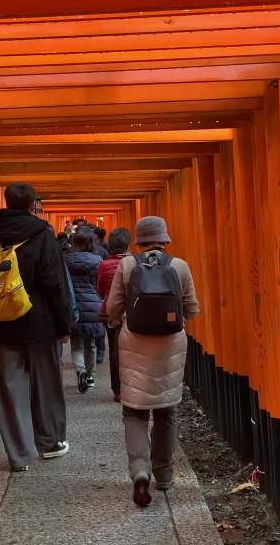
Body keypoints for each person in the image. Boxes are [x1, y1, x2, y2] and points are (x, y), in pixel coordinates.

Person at [0, 182, 72, 472]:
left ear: (7, 201)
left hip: (2, 317)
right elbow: (54, 283)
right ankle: (50, 442)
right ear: (33, 205)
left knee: (9, 385)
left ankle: (18, 454)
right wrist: (64, 324)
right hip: (39, 320)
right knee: (46, 383)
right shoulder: (42, 234)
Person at [106, 216, 199, 507]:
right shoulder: (180, 266)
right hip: (171, 345)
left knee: (134, 413)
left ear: (139, 239)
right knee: (166, 411)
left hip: (134, 343)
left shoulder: (127, 265)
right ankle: (165, 474)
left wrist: (116, 318)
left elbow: (112, 307)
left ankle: (140, 472)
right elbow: (192, 309)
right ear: (164, 238)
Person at [64, 228, 104, 393]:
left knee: (77, 344)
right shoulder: (98, 261)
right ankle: (90, 375)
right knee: (91, 344)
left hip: (74, 306)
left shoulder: (66, 260)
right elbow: (100, 285)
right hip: (93, 305)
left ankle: (80, 370)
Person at [96, 227, 131, 403]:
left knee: (114, 351)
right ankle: (132, 386)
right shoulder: (135, 263)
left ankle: (117, 390)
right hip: (132, 312)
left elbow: (100, 290)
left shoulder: (104, 265)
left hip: (111, 312)